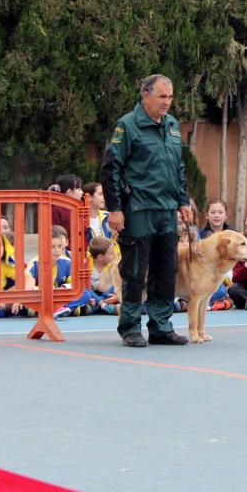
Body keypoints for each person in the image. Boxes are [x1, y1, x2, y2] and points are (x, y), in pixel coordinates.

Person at [100, 74, 192, 348]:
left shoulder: (173, 126)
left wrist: (184, 201)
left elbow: (179, 168)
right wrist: (115, 209)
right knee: (134, 271)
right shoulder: (127, 126)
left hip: (166, 211)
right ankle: (130, 327)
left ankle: (161, 326)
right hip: (138, 209)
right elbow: (111, 169)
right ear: (145, 96)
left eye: (170, 97)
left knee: (166, 269)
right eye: (162, 96)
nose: (167, 102)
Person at [48, 174, 83, 243]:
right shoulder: (56, 209)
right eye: (79, 189)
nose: (82, 192)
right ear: (70, 192)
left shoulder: (78, 208)